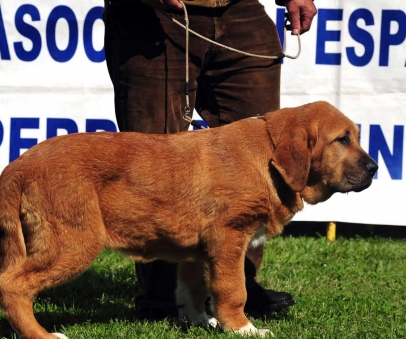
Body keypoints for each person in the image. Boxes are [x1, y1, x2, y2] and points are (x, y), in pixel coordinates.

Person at [104, 0, 318, 319]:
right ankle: (164, 297)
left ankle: (238, 288)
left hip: (240, 8)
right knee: (157, 161)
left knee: (258, 158)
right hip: (154, 16)